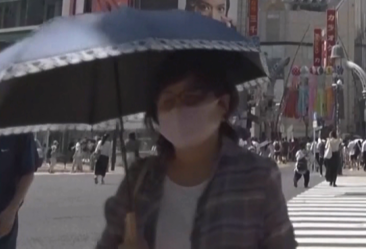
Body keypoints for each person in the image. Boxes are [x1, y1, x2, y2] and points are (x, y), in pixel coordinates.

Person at [95, 57, 296, 249]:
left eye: (191, 98)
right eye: (167, 101)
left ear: (222, 104)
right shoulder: (139, 180)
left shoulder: (257, 177)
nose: (178, 109)